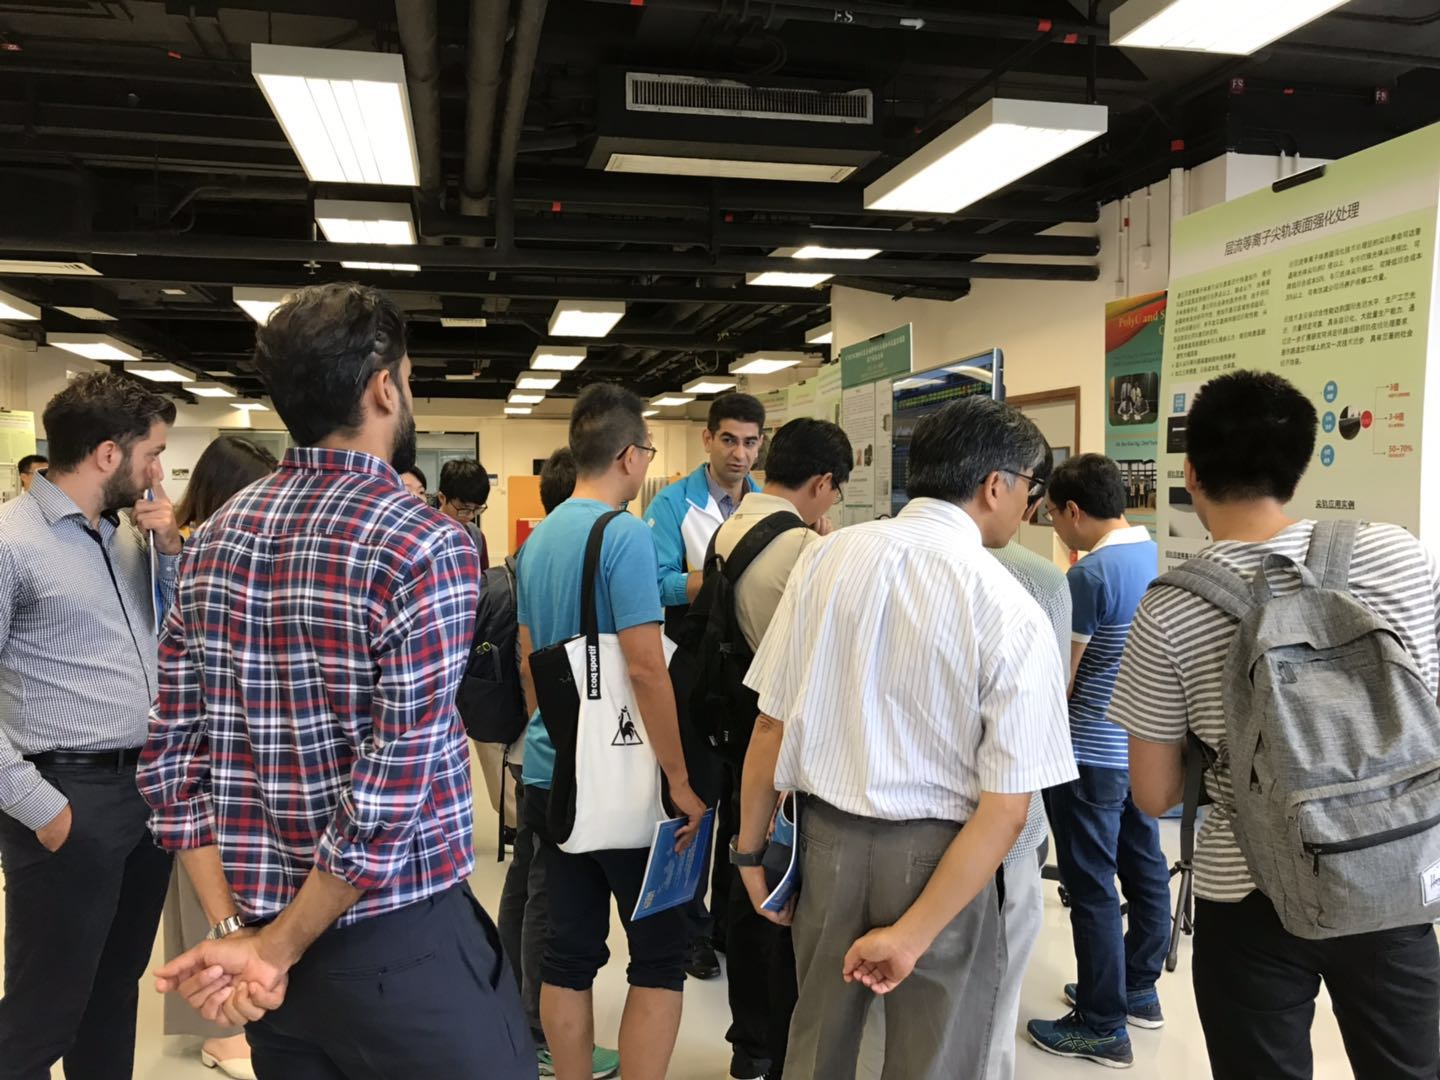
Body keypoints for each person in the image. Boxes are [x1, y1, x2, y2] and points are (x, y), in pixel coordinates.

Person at [139, 282, 533, 1079]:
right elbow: (391, 787)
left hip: (270, 952)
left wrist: (237, 937)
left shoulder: (213, 537)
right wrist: (272, 950)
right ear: (385, 385)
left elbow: (174, 765)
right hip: (396, 947)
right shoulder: (426, 541)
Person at [735, 395, 1076, 1080]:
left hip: (825, 844)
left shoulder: (827, 559)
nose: (1029, 509)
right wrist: (911, 936)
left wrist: (748, 855)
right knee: (939, 1054)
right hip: (945, 859)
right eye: (1031, 490)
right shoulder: (1010, 606)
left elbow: (770, 721)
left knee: (817, 1042)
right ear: (996, 485)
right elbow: (1007, 808)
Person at [1113, 370, 1440, 1080]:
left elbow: (1152, 794)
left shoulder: (1169, 608)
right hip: (1391, 870)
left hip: (1249, 892)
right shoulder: (1398, 554)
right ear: (1297, 470)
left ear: (1191, 474)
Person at [517, 383, 706, 1080]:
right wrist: (679, 782)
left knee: (568, 954)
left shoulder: (542, 539)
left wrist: (558, 730)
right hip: (628, 782)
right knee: (659, 953)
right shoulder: (622, 534)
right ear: (630, 456)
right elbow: (646, 668)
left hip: (553, 771)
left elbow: (529, 654)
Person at [0, 372, 182, 1078]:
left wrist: (170, 551)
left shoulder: (123, 535)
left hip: (143, 798)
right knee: (44, 1014)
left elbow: (166, 637)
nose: (159, 472)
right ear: (109, 455)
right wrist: (42, 810)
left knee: (111, 998)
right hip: (66, 798)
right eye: (153, 453)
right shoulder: (12, 542)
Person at [709, 418, 849, 1080]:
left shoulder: (731, 525)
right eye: (836, 491)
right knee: (782, 894)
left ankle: (748, 1043)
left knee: (745, 879)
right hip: (786, 741)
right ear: (822, 482)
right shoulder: (806, 550)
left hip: (736, 729)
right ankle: (777, 1044)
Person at [1026, 453, 1171, 1070]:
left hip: (1086, 754)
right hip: (1140, 749)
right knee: (1144, 867)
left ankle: (1102, 1024)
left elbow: (1062, 681)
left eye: (1054, 516)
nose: (1055, 528)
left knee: (1089, 888)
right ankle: (1137, 987)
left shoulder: (1089, 577)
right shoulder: (1152, 556)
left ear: (1074, 511)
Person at [496, 447, 620, 1079]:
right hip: (566, 753)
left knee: (527, 881)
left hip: (534, 742)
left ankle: (520, 1016)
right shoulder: (595, 546)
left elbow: (526, 660)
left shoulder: (530, 551)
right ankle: (539, 1035)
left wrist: (536, 723)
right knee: (547, 896)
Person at [163, 435, 278, 1080]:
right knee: (207, 894)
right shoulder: (192, 550)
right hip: (200, 746)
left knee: (236, 887)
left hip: (237, 742)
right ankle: (219, 1031)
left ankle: (233, 1018)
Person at [645, 390, 766, 981]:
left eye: (749, 442)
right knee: (694, 798)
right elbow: (659, 581)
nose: (739, 453)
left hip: (751, 667)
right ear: (708, 439)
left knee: (744, 797)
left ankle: (723, 920)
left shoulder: (768, 505)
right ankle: (688, 925)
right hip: (692, 665)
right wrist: (719, 579)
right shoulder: (673, 505)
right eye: (729, 440)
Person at [986, 532, 1072, 1080]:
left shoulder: (863, 558)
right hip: (1009, 823)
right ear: (997, 485)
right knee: (999, 987)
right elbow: (1054, 691)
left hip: (902, 826)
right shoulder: (1040, 577)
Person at [438, 458, 491, 571]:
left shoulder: (476, 536)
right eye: (464, 509)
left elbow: (483, 582)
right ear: (442, 498)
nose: (471, 516)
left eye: (476, 509)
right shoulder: (424, 535)